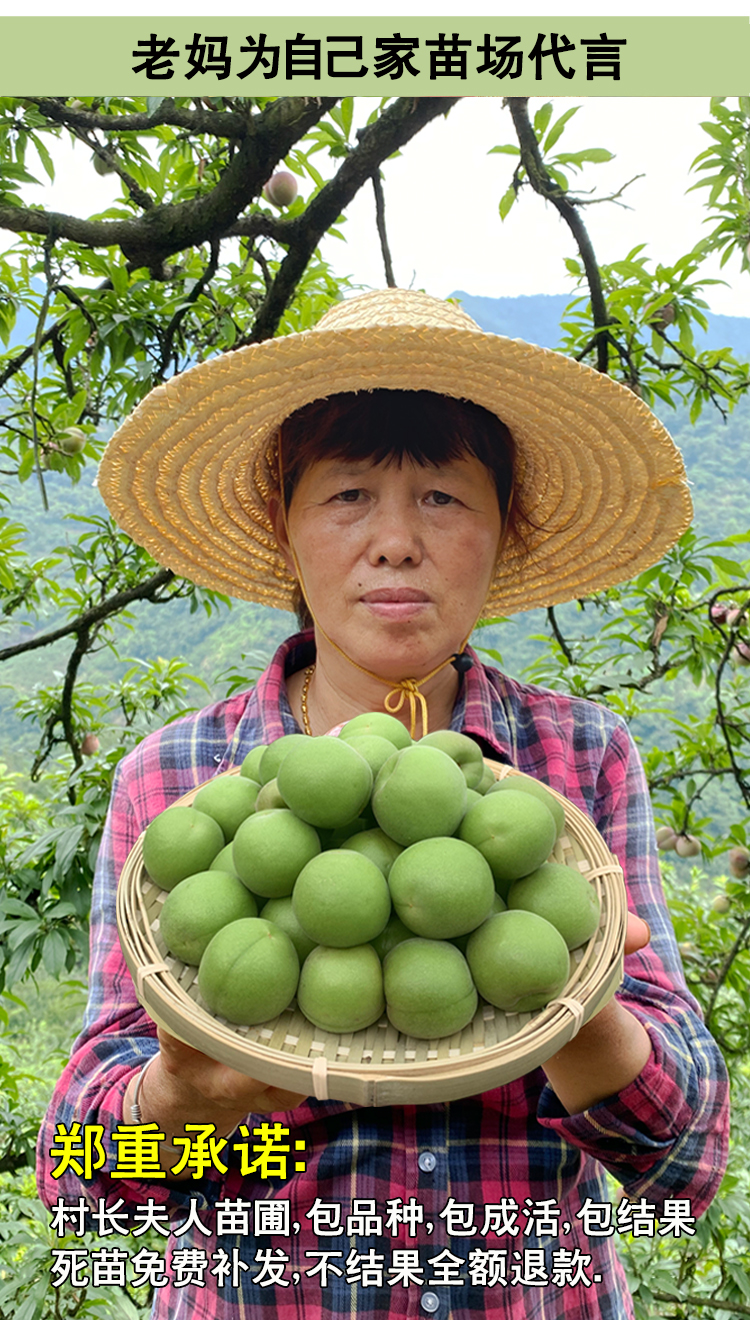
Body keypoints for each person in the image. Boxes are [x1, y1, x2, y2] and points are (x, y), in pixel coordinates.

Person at [38, 288, 729, 1320]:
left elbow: (690, 1162)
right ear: (287, 530)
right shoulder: (179, 777)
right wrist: (178, 1100)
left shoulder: (578, 758)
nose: (397, 541)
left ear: (505, 531)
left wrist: (586, 1016)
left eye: (444, 498)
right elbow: (80, 1176)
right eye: (349, 494)